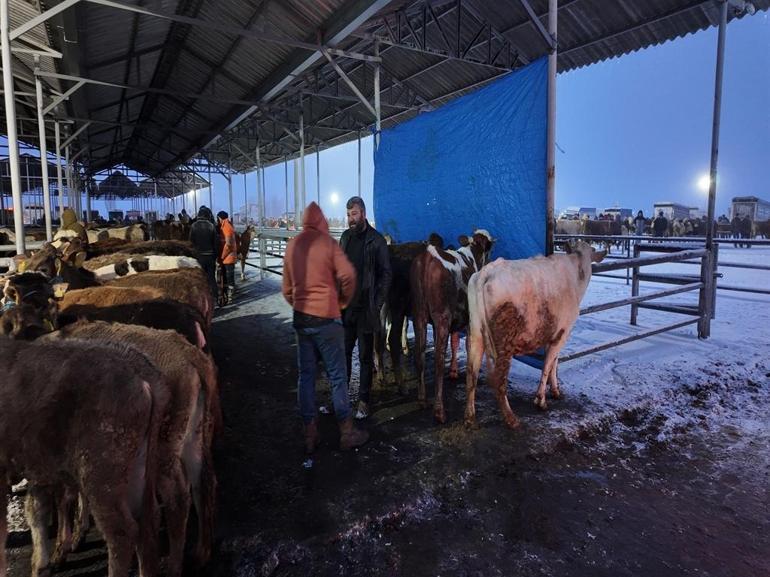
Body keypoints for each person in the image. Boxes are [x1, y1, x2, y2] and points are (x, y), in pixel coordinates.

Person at [282, 201, 368, 453]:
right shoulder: (328, 244)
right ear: (322, 221)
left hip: (302, 320)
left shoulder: (292, 245)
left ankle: (310, 433)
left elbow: (287, 289)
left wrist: (298, 304)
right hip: (327, 321)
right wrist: (340, 301)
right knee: (338, 376)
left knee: (305, 376)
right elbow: (349, 277)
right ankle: (346, 431)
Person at [339, 196, 392, 420]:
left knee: (365, 357)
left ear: (363, 214)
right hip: (345, 308)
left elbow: (386, 274)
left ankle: (363, 402)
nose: (351, 219)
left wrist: (376, 303)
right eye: (348, 215)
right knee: (343, 355)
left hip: (366, 310)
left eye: (354, 214)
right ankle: (340, 400)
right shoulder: (344, 238)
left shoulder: (376, 241)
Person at [189, 206, 218, 302]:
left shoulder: (193, 226)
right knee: (211, 278)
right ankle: (214, 298)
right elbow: (215, 243)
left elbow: (191, 242)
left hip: (198, 256)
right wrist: (215, 256)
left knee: (199, 278)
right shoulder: (211, 226)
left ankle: (201, 299)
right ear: (207, 215)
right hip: (210, 256)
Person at [217, 210, 237, 304]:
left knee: (229, 278)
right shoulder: (225, 226)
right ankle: (228, 295)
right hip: (227, 257)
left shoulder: (227, 227)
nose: (218, 220)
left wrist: (222, 255)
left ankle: (230, 297)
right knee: (227, 277)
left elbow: (228, 244)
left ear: (220, 218)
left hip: (228, 257)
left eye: (218, 218)